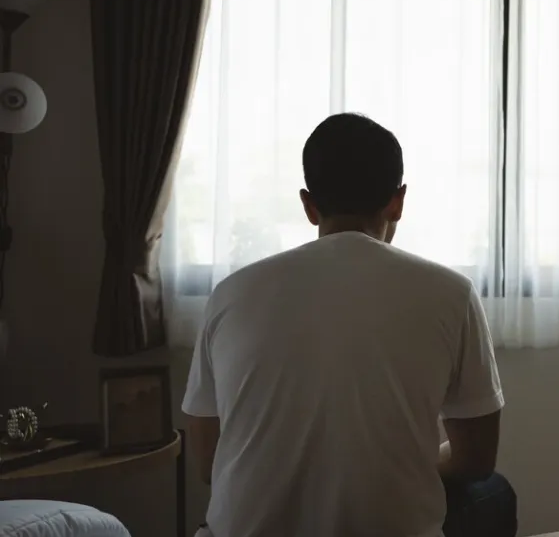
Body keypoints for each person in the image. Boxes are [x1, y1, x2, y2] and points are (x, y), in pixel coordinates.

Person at [182, 113, 514, 537]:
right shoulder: (452, 293)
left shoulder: (230, 294)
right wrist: (400, 466)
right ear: (398, 201)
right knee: (493, 492)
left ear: (309, 205)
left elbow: (208, 463)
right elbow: (476, 459)